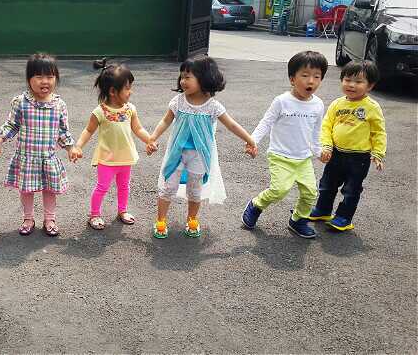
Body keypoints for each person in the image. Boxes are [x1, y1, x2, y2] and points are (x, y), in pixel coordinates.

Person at [150, 55, 256, 239]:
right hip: (177, 153)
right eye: (182, 76)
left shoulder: (213, 106)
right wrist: (152, 138)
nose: (183, 81)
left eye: (188, 77)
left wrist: (249, 139)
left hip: (199, 156)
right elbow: (166, 120)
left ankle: (192, 219)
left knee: (195, 189)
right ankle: (160, 220)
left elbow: (231, 125)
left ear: (204, 78)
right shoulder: (178, 101)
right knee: (168, 187)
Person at [0, 53, 79, 237]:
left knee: (49, 190)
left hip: (48, 158)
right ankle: (28, 218)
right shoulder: (21, 102)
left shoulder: (59, 105)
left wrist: (71, 147)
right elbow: (12, 125)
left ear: (56, 78)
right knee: (26, 190)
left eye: (50, 77)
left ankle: (50, 219)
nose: (44, 81)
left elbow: (63, 131)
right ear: (29, 79)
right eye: (39, 77)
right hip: (27, 158)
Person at [242, 51, 327, 239]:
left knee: (310, 193)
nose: (311, 81)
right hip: (280, 156)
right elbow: (266, 122)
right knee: (279, 190)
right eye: (305, 75)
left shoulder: (318, 105)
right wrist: (252, 141)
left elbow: (316, 131)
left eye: (317, 76)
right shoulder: (282, 101)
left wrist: (318, 151)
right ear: (292, 79)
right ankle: (256, 205)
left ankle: (298, 220)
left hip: (303, 159)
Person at [70, 58, 157, 230]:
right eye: (127, 88)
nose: (131, 92)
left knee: (124, 186)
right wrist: (78, 146)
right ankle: (94, 214)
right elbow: (88, 130)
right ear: (112, 91)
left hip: (125, 157)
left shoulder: (130, 109)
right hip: (107, 159)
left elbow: (138, 128)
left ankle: (122, 211)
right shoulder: (100, 112)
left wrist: (150, 140)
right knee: (102, 187)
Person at [308, 60, 386, 231]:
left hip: (359, 158)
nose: (351, 85)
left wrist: (378, 153)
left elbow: (379, 132)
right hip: (336, 153)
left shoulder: (372, 107)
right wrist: (326, 146)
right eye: (347, 80)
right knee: (327, 184)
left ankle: (344, 217)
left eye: (358, 82)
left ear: (370, 86)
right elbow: (326, 126)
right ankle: (323, 210)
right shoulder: (337, 104)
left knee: (351, 190)